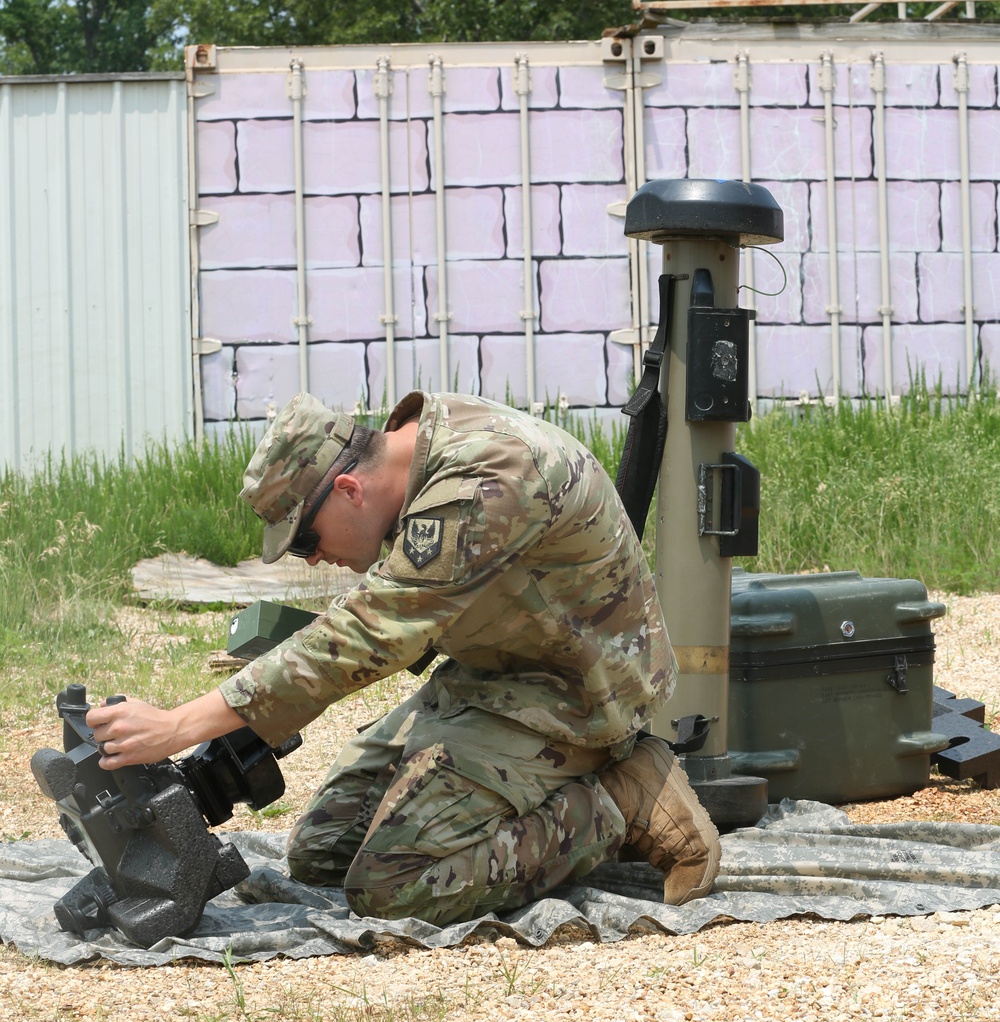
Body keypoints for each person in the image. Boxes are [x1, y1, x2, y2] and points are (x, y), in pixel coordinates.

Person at [87, 391, 720, 924]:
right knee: (322, 854)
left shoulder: (483, 477)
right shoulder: (414, 460)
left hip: (570, 694)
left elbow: (371, 632)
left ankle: (619, 798)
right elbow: (382, 623)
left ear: (346, 488)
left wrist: (178, 725)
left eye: (305, 538)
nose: (311, 559)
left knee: (393, 884)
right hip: (490, 675)